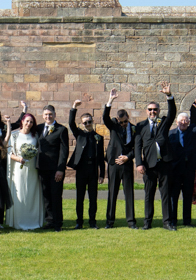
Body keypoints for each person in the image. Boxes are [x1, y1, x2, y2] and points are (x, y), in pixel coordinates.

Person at [134, 82, 176, 231]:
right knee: (148, 195)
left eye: (155, 109)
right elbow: (137, 146)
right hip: (149, 165)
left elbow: (172, 113)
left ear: (158, 110)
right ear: (147, 111)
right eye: (150, 110)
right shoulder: (140, 126)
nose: (153, 112)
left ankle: (167, 222)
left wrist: (169, 96)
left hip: (164, 163)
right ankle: (147, 222)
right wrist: (139, 163)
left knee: (165, 194)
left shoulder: (164, 122)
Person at [25, 103, 69, 231]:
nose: (48, 116)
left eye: (50, 114)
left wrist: (60, 169)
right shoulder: (38, 128)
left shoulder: (62, 130)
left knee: (56, 196)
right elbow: (24, 128)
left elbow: (64, 151)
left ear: (55, 115)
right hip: (42, 168)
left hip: (56, 169)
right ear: (42, 116)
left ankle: (57, 223)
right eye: (46, 114)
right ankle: (49, 220)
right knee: (45, 196)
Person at [168, 95, 196, 228]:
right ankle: (173, 220)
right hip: (175, 170)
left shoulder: (192, 130)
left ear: (188, 122)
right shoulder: (171, 134)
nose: (183, 122)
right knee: (174, 196)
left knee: (187, 196)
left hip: (189, 169)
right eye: (181, 120)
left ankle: (187, 221)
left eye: (186, 120)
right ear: (177, 122)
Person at [102, 89, 137, 229]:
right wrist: (110, 101)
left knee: (129, 193)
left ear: (128, 118)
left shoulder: (134, 129)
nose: (123, 124)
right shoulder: (114, 127)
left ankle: (131, 222)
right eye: (121, 122)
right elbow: (105, 117)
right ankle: (109, 221)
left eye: (125, 121)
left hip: (127, 163)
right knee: (112, 192)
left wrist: (128, 157)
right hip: (114, 164)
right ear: (117, 120)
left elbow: (137, 147)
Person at [68, 100, 106, 229]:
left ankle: (92, 222)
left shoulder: (98, 137)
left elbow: (101, 157)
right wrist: (74, 108)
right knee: (80, 197)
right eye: (85, 122)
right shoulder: (79, 134)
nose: (88, 124)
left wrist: (102, 174)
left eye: (89, 121)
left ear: (92, 122)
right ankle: (79, 222)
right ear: (82, 124)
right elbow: (70, 123)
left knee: (93, 198)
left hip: (93, 170)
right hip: (82, 170)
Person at [5, 112, 45, 230]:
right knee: (20, 193)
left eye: (31, 122)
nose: (29, 123)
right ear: (22, 121)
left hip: (32, 169)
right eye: (27, 121)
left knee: (31, 194)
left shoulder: (35, 136)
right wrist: (18, 159)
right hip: (18, 169)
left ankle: (32, 220)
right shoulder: (14, 135)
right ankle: (19, 220)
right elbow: (9, 152)